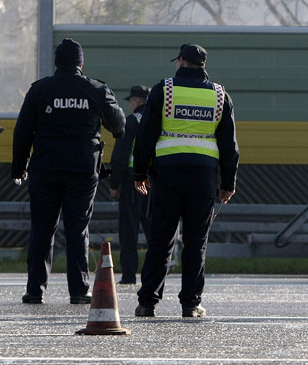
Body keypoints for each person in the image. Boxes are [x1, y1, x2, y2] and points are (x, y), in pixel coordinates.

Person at [11, 38, 126, 304]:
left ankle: (35, 290)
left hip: (45, 170)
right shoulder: (96, 88)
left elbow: (22, 132)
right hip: (82, 171)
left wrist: (19, 168)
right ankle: (79, 290)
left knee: (42, 228)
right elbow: (119, 124)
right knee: (77, 229)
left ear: (56, 63)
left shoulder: (40, 90)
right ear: (81, 63)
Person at [132, 43, 239, 319]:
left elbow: (146, 135)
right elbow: (229, 145)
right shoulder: (219, 95)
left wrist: (139, 173)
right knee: (195, 242)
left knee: (161, 239)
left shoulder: (164, 90)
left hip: (167, 174)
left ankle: (147, 303)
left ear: (180, 62)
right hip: (203, 178)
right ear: (203, 65)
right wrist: (228, 183)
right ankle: (190, 304)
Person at [108, 85, 151, 285]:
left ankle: (129, 275)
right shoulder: (158, 120)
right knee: (154, 229)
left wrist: (114, 183)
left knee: (129, 229)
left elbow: (120, 156)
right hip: (154, 181)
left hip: (134, 181)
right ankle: (155, 273)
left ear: (136, 101)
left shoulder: (132, 121)